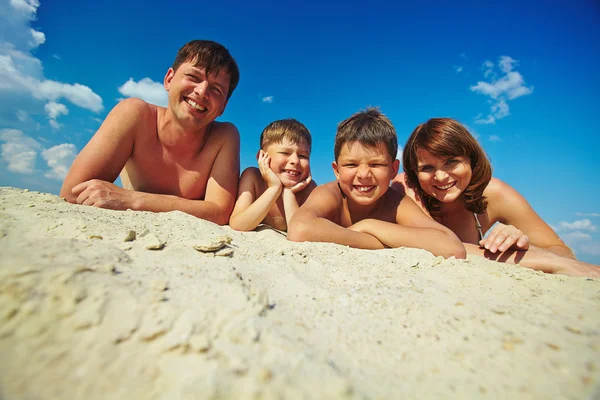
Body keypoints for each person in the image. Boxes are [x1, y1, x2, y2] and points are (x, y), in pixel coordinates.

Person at [59, 40, 240, 225]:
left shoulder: (224, 136)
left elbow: (219, 212)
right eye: (194, 77)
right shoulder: (135, 115)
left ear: (223, 105)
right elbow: (73, 193)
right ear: (169, 79)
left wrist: (133, 200)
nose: (202, 92)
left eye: (216, 89)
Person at [393, 117, 600, 277]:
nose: (440, 176)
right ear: (414, 171)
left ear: (471, 160)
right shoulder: (405, 189)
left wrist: (522, 245)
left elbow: (564, 254)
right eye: (427, 168)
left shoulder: (495, 194)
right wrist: (546, 261)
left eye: (451, 162)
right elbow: (439, 245)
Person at [287, 108, 466, 259]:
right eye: (351, 164)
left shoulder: (396, 203)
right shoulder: (330, 194)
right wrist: (374, 242)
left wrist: (370, 225)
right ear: (336, 170)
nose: (364, 174)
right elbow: (300, 228)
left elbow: (452, 247)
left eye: (376, 164)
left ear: (393, 169)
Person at [229, 119, 316, 231]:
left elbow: (298, 232)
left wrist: (289, 194)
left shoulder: (309, 189)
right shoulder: (253, 178)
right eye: (285, 153)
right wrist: (274, 188)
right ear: (261, 157)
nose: (295, 161)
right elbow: (238, 225)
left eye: (303, 156)